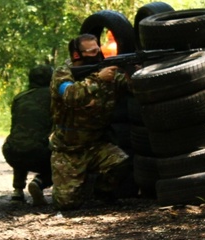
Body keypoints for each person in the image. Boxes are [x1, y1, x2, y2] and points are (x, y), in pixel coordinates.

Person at [50, 33, 134, 210]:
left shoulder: (105, 70)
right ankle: (78, 185)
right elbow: (70, 95)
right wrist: (98, 79)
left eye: (98, 49)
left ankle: (100, 191)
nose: (96, 54)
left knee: (121, 163)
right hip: (68, 150)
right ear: (76, 55)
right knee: (66, 204)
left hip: (96, 145)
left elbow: (130, 88)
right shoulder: (63, 73)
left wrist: (132, 73)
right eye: (91, 51)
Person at [2, 64, 53, 206]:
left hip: (11, 152)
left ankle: (17, 191)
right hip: (38, 154)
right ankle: (40, 182)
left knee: (21, 141)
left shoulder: (19, 98)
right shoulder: (53, 97)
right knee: (63, 159)